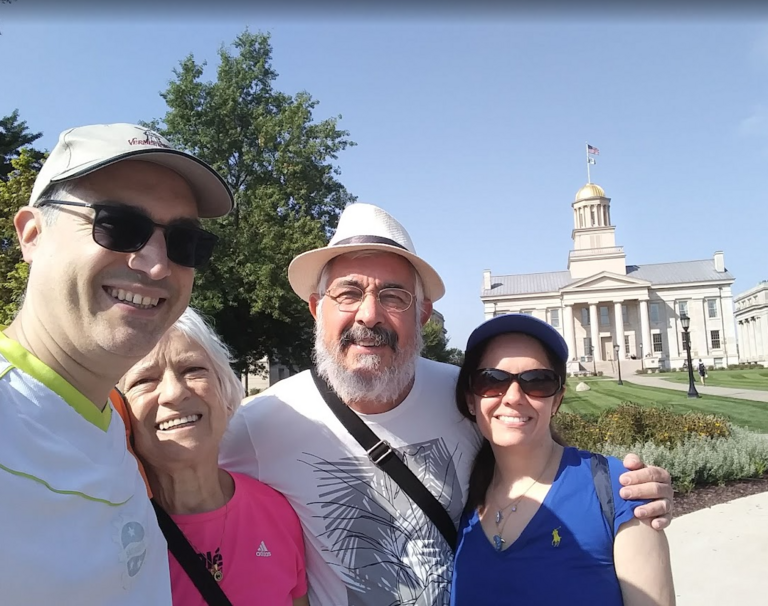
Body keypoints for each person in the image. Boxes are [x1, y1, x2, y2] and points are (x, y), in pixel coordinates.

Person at [219, 202, 675, 605]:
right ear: (317, 307)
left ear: (422, 314)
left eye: (393, 296)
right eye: (349, 293)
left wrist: (629, 493)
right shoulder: (261, 424)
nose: (369, 314)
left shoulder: (470, 394)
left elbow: (537, 450)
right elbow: (183, 501)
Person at [0, 123, 234, 605]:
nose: (156, 265)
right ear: (31, 234)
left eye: (184, 242)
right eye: (120, 226)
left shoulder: (117, 428)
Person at [450, 313, 675, 605]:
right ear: (471, 399)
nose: (513, 396)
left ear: (556, 400)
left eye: (537, 381)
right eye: (492, 380)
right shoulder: (461, 498)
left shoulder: (619, 491)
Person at [119, 308, 309, 606]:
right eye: (144, 380)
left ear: (225, 392)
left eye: (192, 370)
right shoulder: (106, 533)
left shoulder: (278, 511)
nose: (174, 392)